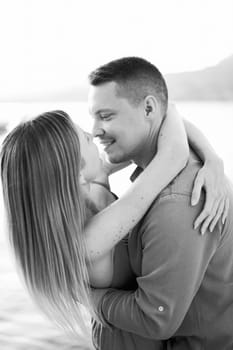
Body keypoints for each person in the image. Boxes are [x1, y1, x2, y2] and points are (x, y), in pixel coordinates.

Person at [0, 108, 228, 346]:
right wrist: (155, 102)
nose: (93, 134)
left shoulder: (90, 185)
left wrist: (213, 159)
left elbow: (161, 123)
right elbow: (172, 154)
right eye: (87, 139)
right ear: (76, 173)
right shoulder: (91, 238)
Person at [88, 57, 233, 350]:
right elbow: (172, 114)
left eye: (106, 116)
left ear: (150, 109)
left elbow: (156, 318)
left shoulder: (178, 201)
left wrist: (92, 298)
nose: (95, 130)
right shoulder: (155, 176)